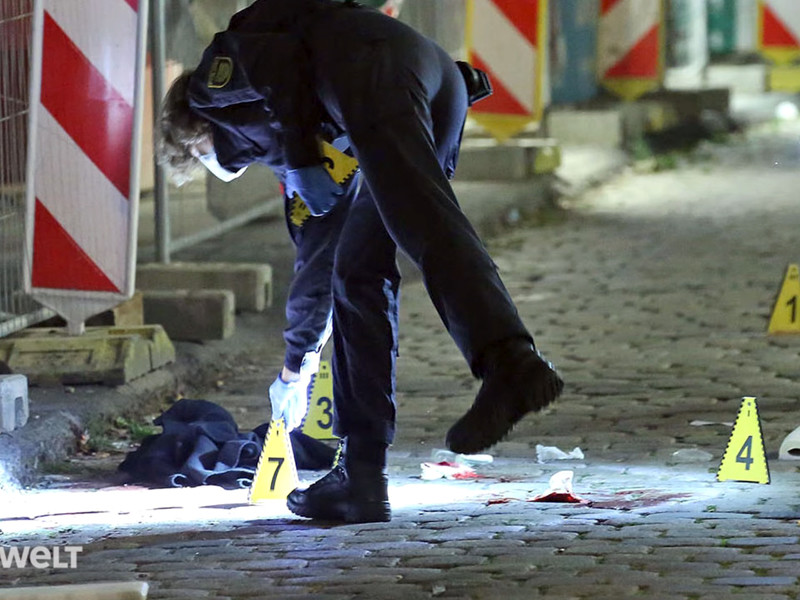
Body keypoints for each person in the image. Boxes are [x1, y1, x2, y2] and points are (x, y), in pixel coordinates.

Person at [157, 0, 564, 524]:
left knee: (424, 221)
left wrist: (302, 157)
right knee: (357, 272)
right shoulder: (293, 127)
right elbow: (320, 256)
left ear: (196, 134)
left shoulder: (209, 89)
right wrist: (298, 365)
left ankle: (511, 361)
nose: (230, 162)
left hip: (379, 71)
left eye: (207, 156)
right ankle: (361, 476)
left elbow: (278, 65)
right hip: (424, 80)